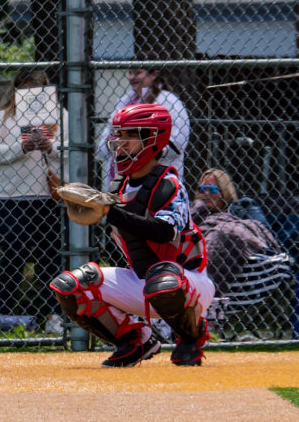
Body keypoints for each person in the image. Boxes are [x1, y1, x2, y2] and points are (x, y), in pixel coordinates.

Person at [49, 102, 215, 367]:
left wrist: (108, 211)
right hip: (145, 282)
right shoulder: (119, 186)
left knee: (163, 278)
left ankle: (190, 335)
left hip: (188, 282)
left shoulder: (169, 183)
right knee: (71, 286)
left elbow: (163, 232)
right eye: (119, 135)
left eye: (130, 136)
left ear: (153, 139)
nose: (121, 143)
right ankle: (134, 340)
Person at [0, 66, 68, 332]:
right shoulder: (2, 117)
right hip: (14, 196)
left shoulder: (59, 116)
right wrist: (22, 147)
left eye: (38, 89)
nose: (32, 95)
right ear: (17, 90)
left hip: (49, 195)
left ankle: (54, 316)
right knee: (12, 256)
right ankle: (5, 315)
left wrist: (49, 147)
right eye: (26, 89)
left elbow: (71, 149)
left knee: (50, 257)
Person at [96, 67, 190, 191]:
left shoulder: (169, 103)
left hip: (156, 181)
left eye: (137, 72)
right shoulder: (125, 103)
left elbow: (177, 144)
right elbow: (104, 144)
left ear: (154, 74)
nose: (131, 77)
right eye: (130, 73)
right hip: (120, 182)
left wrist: (142, 151)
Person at [191, 167, 285, 292]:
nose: (206, 194)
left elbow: (264, 231)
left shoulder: (244, 206)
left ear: (224, 191)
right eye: (202, 189)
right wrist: (198, 209)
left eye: (213, 189)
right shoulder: (198, 214)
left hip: (243, 260)